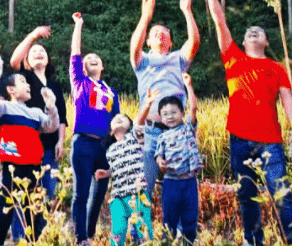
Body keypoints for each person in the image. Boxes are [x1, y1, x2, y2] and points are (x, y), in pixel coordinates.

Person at [195, 0, 292, 245]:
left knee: (282, 194)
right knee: (247, 194)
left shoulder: (276, 68)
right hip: (240, 138)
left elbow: (288, 99)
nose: (253, 32)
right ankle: (253, 241)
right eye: (249, 32)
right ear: (242, 42)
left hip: (271, 141)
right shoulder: (233, 59)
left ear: (266, 42)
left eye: (259, 32)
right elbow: (220, 21)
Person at [0, 54, 60, 245]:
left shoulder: (35, 113)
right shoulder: (3, 108)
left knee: (34, 212)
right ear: (11, 90)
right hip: (11, 166)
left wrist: (51, 105)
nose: (28, 85)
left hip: (34, 167)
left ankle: (30, 242)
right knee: (5, 212)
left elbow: (52, 126)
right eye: (23, 81)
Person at [128, 0, 200, 198]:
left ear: (170, 42)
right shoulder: (143, 62)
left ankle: (178, 231)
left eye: (165, 33)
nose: (160, 34)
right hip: (149, 133)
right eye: (155, 32)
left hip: (176, 133)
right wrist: (145, 17)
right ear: (148, 42)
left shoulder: (178, 59)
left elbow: (194, 42)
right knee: (143, 190)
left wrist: (186, 10)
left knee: (179, 189)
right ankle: (139, 230)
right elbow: (134, 47)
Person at [8, 25, 68, 241]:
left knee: (47, 195)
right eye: (34, 52)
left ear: (48, 59)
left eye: (42, 51)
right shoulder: (24, 79)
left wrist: (61, 140)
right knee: (23, 194)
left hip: (50, 148)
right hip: (26, 146)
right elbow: (14, 60)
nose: (39, 53)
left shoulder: (55, 86)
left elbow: (62, 116)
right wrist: (33, 35)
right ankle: (19, 239)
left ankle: (40, 239)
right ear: (28, 61)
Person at [69, 12, 120, 246]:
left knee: (99, 193)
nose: (93, 59)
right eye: (89, 59)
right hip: (82, 143)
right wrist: (78, 25)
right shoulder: (80, 80)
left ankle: (89, 234)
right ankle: (81, 239)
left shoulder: (111, 91)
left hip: (103, 146)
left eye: (97, 58)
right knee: (81, 193)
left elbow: (117, 121)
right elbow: (76, 54)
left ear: (103, 66)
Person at [94, 89, 159, 246]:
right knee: (117, 231)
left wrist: (147, 104)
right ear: (110, 130)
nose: (118, 118)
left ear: (130, 126)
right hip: (117, 196)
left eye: (123, 118)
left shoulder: (134, 138)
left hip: (137, 193)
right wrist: (106, 173)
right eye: (116, 118)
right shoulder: (110, 150)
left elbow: (140, 121)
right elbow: (117, 170)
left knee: (143, 229)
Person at [155, 73, 202, 245]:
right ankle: (167, 241)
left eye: (174, 112)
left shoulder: (188, 128)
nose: (170, 116)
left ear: (182, 113)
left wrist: (188, 86)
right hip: (171, 182)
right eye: (165, 113)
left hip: (189, 181)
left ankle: (188, 241)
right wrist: (160, 162)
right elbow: (159, 156)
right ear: (160, 117)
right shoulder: (162, 137)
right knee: (170, 217)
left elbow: (194, 108)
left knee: (190, 216)